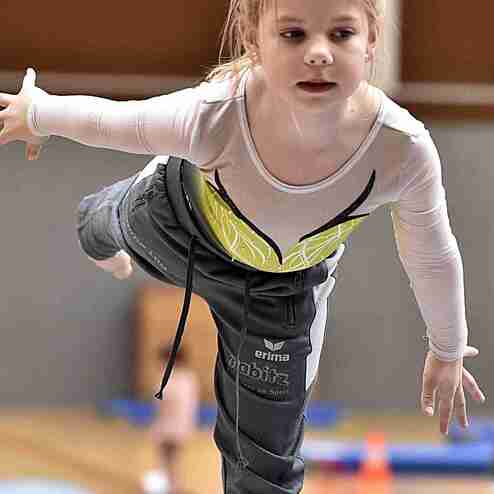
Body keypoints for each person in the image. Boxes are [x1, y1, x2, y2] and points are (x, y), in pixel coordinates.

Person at [0, 0, 487, 492]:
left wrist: (447, 348)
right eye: (294, 35)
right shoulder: (216, 113)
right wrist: (35, 112)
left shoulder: (403, 148)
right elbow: (115, 122)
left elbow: (431, 252)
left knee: (267, 472)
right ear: (254, 39)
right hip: (180, 230)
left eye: (341, 34)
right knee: (105, 221)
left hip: (279, 295)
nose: (319, 53)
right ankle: (100, 223)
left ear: (372, 41)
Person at [142, 344, 199, 494]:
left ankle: (170, 487)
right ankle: (173, 485)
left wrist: (158, 426)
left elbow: (164, 405)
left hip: (170, 426)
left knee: (167, 459)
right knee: (172, 459)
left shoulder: (170, 378)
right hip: (182, 426)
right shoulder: (189, 378)